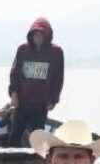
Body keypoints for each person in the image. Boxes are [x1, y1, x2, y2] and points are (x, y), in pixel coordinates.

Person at [6, 17, 64, 147]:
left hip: (41, 104)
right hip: (22, 102)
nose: (37, 38)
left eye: (41, 35)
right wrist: (14, 94)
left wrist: (53, 99)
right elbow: (14, 73)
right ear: (31, 36)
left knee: (39, 138)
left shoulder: (56, 52)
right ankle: (9, 161)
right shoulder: (23, 50)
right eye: (35, 35)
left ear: (47, 36)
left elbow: (58, 78)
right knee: (15, 135)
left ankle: (37, 163)